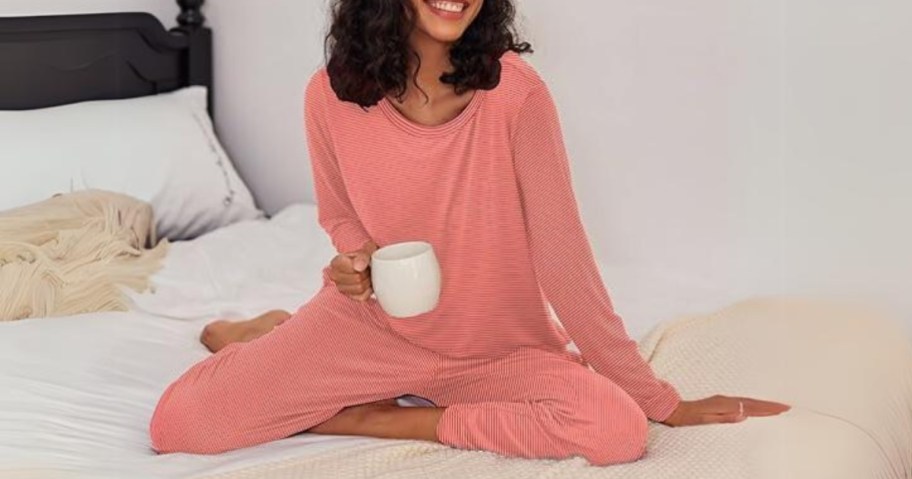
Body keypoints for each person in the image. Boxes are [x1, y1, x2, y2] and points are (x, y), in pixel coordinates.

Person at [148, 0, 790, 466]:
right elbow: (340, 213)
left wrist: (656, 398)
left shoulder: (516, 94)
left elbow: (563, 259)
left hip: (496, 344)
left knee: (616, 429)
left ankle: (373, 413)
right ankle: (266, 333)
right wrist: (355, 260)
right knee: (180, 422)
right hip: (375, 326)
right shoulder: (329, 97)